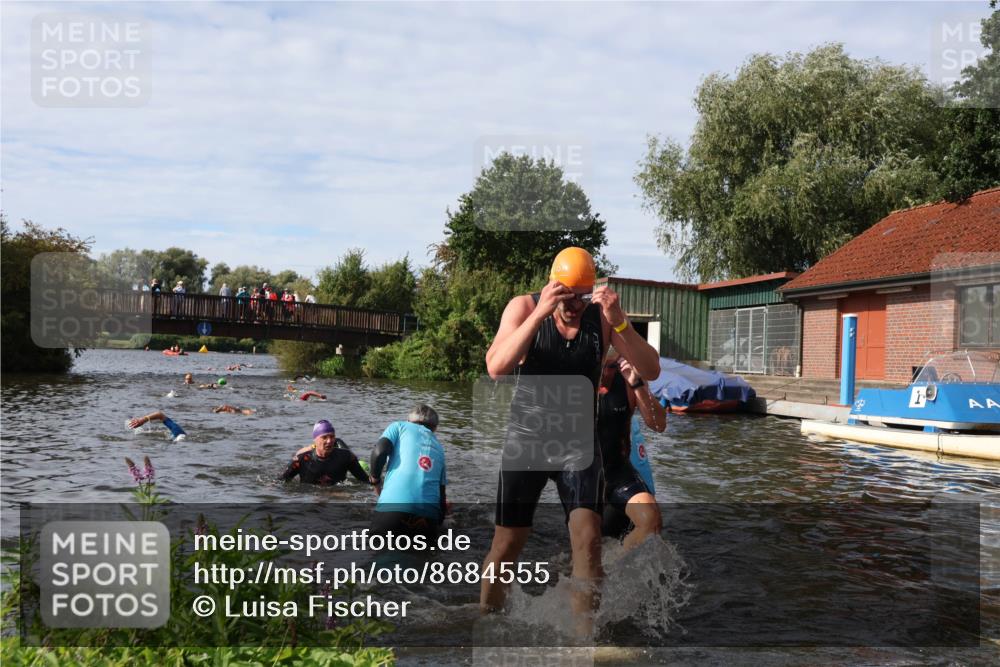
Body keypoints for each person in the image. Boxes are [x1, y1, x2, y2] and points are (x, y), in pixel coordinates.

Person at [479, 247, 660, 628]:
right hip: (528, 442)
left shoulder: (602, 318)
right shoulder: (523, 307)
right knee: (507, 545)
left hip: (578, 445)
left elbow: (651, 369)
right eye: (567, 296)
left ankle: (583, 640)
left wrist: (621, 323)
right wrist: (539, 315)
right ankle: (488, 619)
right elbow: (496, 366)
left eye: (582, 296)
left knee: (588, 542)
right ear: (552, 286)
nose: (575, 305)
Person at [597, 350, 667, 549]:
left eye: (612, 367)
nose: (606, 373)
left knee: (650, 520)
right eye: (602, 367)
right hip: (582, 476)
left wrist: (637, 384)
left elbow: (659, 424)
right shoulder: (574, 377)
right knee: (588, 542)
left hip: (617, 471)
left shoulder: (628, 378)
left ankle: (614, 563)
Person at [369, 405, 448, 541]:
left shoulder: (399, 427)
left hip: (392, 512)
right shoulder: (440, 448)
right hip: (428, 519)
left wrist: (375, 479)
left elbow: (379, 452)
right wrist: (438, 522)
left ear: (408, 420)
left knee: (377, 550)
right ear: (435, 428)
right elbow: (441, 497)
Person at [281, 420, 371, 486]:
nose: (329, 441)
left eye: (332, 437)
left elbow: (367, 482)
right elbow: (280, 482)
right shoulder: (302, 459)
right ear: (315, 440)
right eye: (324, 437)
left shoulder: (346, 457)